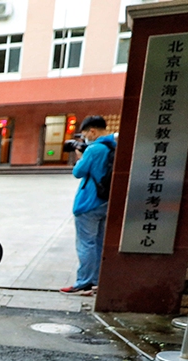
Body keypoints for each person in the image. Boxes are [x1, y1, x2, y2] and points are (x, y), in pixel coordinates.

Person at [60, 115, 116, 295]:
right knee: (99, 243)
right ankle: (97, 281)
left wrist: (80, 156)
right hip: (105, 201)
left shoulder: (94, 149)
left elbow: (78, 172)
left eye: (85, 134)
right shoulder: (114, 146)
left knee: (86, 244)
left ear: (92, 131)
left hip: (89, 202)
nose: (85, 138)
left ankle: (83, 282)